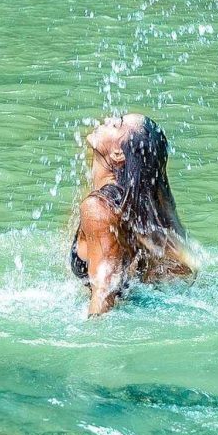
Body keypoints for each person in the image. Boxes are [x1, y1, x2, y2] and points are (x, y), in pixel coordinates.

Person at [69, 113, 194, 315]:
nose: (108, 120)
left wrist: (90, 330)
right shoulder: (137, 203)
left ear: (118, 154)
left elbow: (104, 290)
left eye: (117, 124)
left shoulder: (99, 208)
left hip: (124, 314)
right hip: (151, 308)